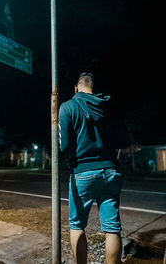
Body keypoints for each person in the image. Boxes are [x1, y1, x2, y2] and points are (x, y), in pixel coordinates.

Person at [59, 72, 123, 264]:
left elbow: (64, 146)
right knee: (112, 227)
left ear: (76, 89)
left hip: (83, 172)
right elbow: (122, 140)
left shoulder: (68, 107)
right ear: (94, 88)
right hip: (111, 171)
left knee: (77, 225)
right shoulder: (108, 106)